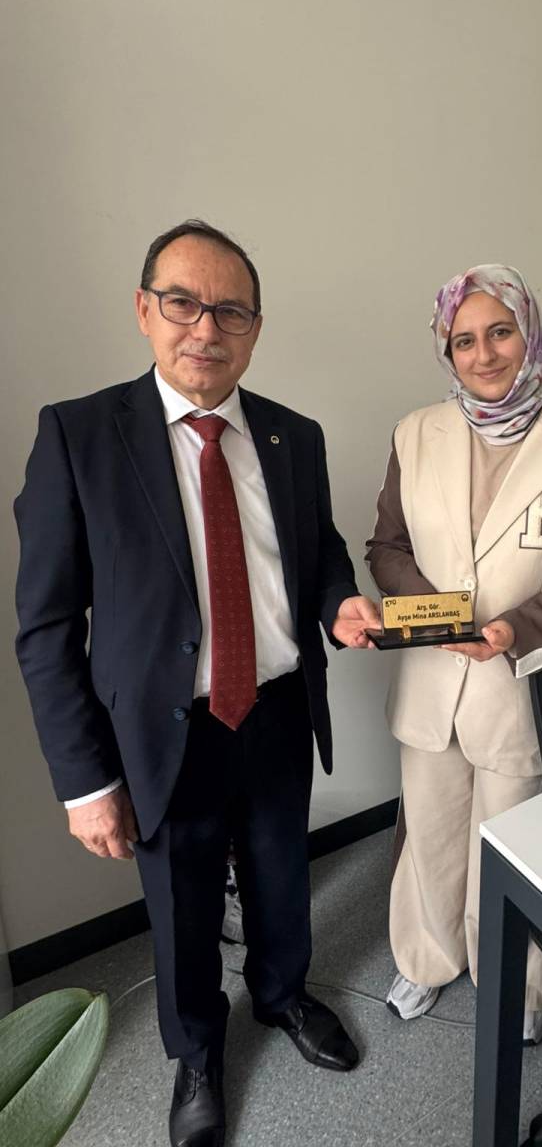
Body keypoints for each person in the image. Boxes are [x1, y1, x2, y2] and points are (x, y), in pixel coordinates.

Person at [14, 220, 380, 1147]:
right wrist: (85, 782)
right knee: (180, 904)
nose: (205, 329)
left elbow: (320, 551)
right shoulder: (79, 435)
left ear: (256, 328)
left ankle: (283, 994)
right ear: (145, 310)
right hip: (161, 728)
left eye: (231, 311)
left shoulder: (295, 435)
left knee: (282, 873)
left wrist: (338, 601)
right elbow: (46, 627)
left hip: (277, 707)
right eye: (183, 303)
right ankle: (196, 1052)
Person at [366, 264, 542, 1044]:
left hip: (521, 685)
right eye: (464, 340)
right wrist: (431, 615)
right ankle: (426, 957)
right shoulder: (416, 433)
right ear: (446, 351)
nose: (483, 355)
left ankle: (517, 987)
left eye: (500, 332)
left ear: (530, 332)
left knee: (510, 847)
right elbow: (387, 547)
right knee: (430, 829)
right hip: (429, 678)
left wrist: (517, 628)